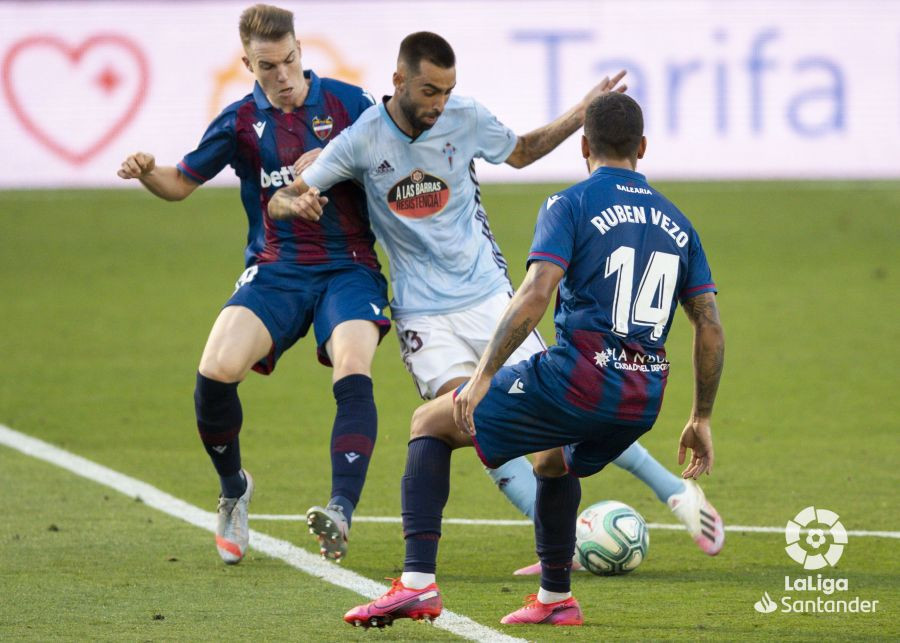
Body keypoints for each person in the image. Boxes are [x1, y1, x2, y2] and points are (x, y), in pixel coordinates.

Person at [269, 31, 723, 564]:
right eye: (430, 91)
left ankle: (674, 490)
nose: (440, 103)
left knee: (562, 418)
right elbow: (286, 197)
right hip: (425, 317)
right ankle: (567, 547)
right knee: (472, 420)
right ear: (399, 82)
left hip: (492, 298)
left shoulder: (466, 117)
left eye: (447, 90)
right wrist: (289, 206)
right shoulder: (361, 139)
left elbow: (523, 151)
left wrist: (580, 113)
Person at [342, 91, 725, 628]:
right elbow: (708, 324)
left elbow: (535, 292)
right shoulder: (680, 223)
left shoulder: (567, 204)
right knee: (551, 458)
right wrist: (701, 416)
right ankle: (555, 598)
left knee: (429, 421)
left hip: (580, 379)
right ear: (642, 147)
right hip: (644, 400)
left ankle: (416, 585)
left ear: (584, 145)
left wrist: (483, 375)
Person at [116, 4, 390, 565]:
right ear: (248, 63)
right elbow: (180, 183)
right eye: (268, 66)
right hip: (277, 268)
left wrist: (346, 167)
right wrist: (147, 172)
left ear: (300, 50)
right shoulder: (240, 121)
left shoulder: (351, 104)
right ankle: (234, 489)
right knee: (215, 371)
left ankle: (340, 509)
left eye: (289, 60)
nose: (283, 76)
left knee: (353, 364)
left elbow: (396, 165)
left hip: (349, 265)